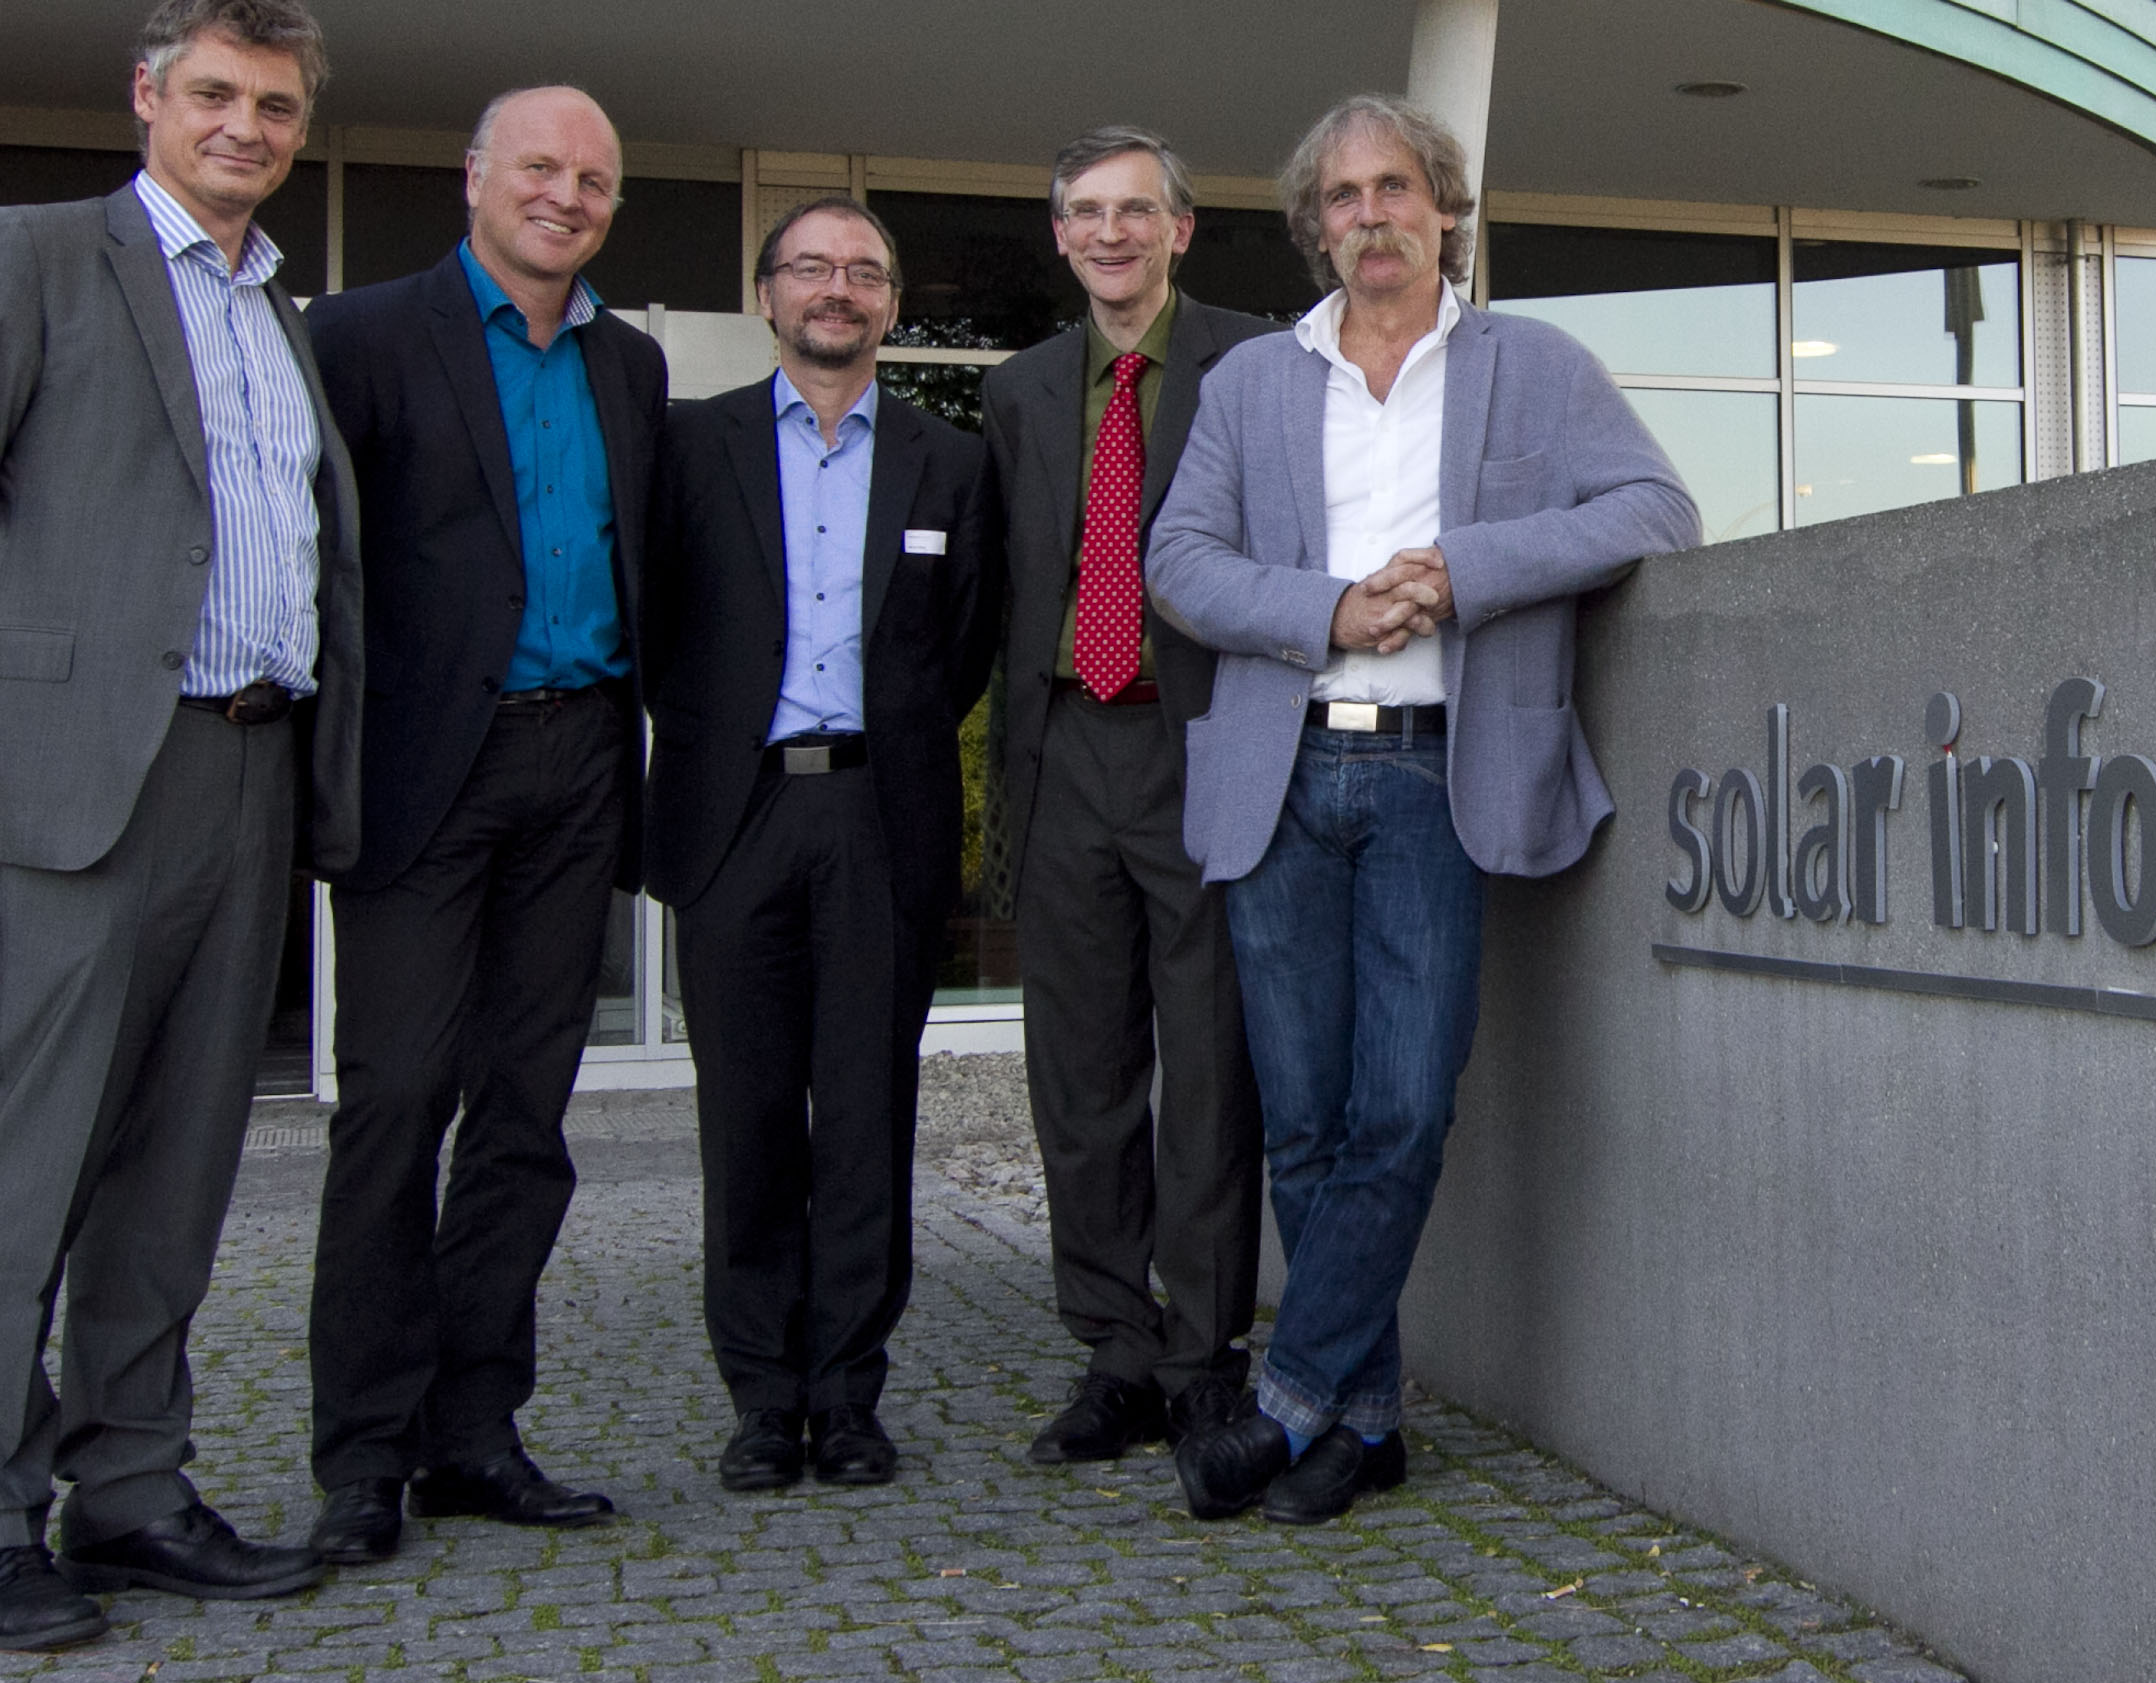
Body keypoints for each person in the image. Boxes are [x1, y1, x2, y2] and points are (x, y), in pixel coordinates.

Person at [0, 0, 360, 1651]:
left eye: (277, 106)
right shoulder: (36, 253)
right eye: (217, 92)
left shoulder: (283, 313)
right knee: (35, 1164)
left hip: (247, 765)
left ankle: (133, 1487)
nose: (247, 127)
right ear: (148, 96)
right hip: (78, 782)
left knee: (182, 1164)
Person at [1144, 94, 1697, 1525]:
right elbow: (1180, 564)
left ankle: (1277, 1404)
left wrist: (1463, 570)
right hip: (1281, 772)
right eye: (1342, 196)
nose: (1371, 216)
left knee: (1401, 1104)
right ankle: (1364, 1422)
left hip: (1439, 772)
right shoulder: (1256, 384)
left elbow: (1655, 513)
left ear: (1445, 208)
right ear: (1314, 225)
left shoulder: (1537, 365)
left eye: (1396, 188)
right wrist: (1327, 603)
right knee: (1309, 1123)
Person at [296, 87, 667, 1564]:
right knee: (394, 1108)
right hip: (423, 777)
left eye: (592, 179)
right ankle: (361, 1456)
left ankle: (474, 1431)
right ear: (472, 179)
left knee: (527, 1116)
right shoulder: (361, 338)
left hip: (579, 768)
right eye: (539, 169)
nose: (565, 196)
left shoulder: (628, 366)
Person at [642, 198, 998, 1491]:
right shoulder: (687, 450)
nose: (835, 290)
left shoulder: (949, 465)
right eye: (811, 268)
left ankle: (848, 1398)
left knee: (865, 1121)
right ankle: (759, 1400)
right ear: (768, 295)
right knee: (745, 1124)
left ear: (892, 307)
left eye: (863, 272)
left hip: (877, 817)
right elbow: (659, 624)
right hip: (732, 817)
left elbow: (959, 649)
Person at [982, 129, 1273, 1466]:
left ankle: (1205, 1352)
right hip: (1064, 753)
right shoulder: (1023, 393)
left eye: (1135, 211)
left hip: (1203, 745)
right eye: (1086, 213)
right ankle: (1116, 1348)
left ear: (1182, 229)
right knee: (1082, 1074)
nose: (1111, 233)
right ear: (1060, 235)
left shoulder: (1259, 366)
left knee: (1209, 1066)